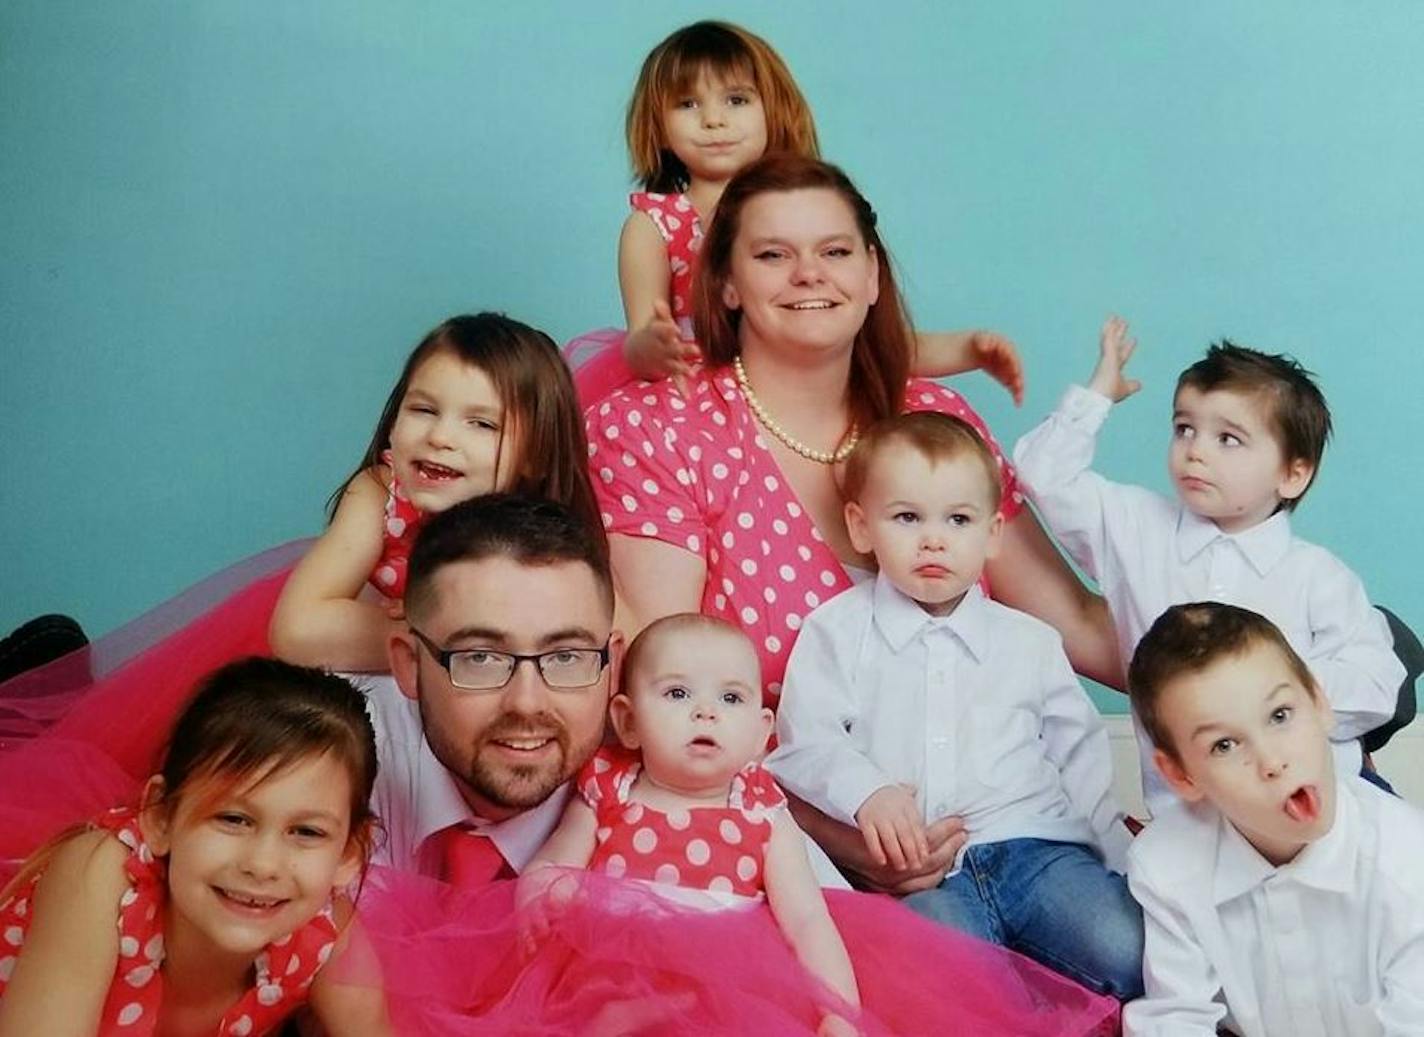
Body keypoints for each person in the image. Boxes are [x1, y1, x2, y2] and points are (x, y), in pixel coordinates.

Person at [585, 153, 1119, 894]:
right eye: (774, 254)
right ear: (728, 283)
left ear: (872, 277)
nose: (810, 274)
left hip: (982, 842)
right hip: (755, 841)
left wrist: (1265, 677)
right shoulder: (661, 428)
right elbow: (667, 698)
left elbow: (1080, 623)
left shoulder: (934, 417)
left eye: (835, 252)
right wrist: (844, 838)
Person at [767, 413, 1143, 999]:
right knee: (940, 980)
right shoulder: (837, 632)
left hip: (1036, 849)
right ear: (861, 527)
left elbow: (1081, 752)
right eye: (907, 517)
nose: (934, 539)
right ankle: (1018, 997)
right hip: (925, 880)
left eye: (958, 520)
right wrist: (868, 791)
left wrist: (1110, 854)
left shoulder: (1030, 641)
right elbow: (806, 742)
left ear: (993, 534)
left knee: (1125, 948)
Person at [1012, 318, 1401, 809]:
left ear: (1292, 473)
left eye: (1228, 439)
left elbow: (1376, 685)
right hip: (1192, 816)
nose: (1195, 450)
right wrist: (1097, 396)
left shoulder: (1317, 576)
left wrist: (1271, 697)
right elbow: (1041, 474)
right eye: (1184, 428)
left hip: (1321, 806)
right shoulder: (1135, 528)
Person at [568, 20, 1023, 405]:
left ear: (773, 110)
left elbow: (872, 344)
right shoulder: (653, 226)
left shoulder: (808, 213)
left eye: (737, 100)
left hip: (804, 391)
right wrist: (651, 346)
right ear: (658, 126)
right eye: (688, 104)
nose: (713, 120)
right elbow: (644, 335)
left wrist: (969, 350)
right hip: (699, 402)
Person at [0, 657, 390, 1036]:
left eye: (307, 832)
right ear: (161, 817)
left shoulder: (326, 931)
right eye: (233, 820)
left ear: (349, 854)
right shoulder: (99, 877)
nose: (263, 864)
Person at [519, 613, 861, 1035]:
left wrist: (839, 1012)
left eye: (731, 699)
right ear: (628, 721)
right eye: (677, 693)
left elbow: (807, 918)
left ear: (760, 734)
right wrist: (541, 888)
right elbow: (555, 862)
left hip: (726, 984)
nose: (706, 713)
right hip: (612, 973)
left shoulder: (761, 811)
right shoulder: (609, 788)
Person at [1122, 603, 1424, 1036]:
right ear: (1180, 775)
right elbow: (1177, 1017)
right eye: (1225, 745)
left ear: (1320, 702)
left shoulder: (1406, 857)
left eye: (1280, 716)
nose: (1271, 762)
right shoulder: (1167, 865)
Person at [271, 312, 599, 672]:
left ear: (534, 457)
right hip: (380, 687)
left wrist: (453, 634)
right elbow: (297, 629)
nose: (440, 437)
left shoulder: (542, 538)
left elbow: (543, 646)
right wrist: (440, 636)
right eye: (424, 410)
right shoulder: (380, 493)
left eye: (481, 424)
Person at [367, 492, 621, 880]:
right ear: (409, 664)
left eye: (566, 657)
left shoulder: (690, 806)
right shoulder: (327, 768)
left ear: (612, 665)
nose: (526, 702)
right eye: (480, 658)